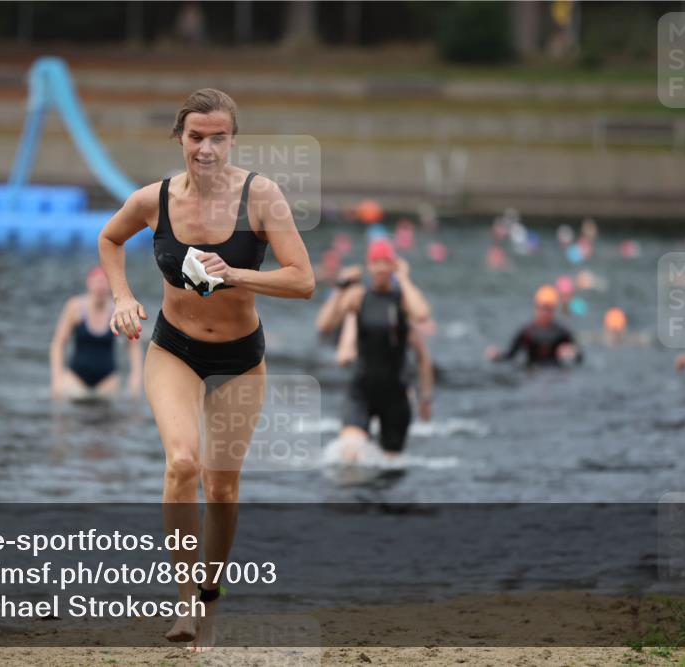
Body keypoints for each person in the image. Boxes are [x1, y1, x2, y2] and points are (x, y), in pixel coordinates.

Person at [96, 88, 314, 651]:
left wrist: (239, 274)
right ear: (180, 140)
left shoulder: (261, 197)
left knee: (221, 486)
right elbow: (110, 238)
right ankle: (185, 596)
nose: (208, 148)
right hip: (174, 349)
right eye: (197, 137)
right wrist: (121, 297)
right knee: (182, 463)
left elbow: (302, 280)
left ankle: (211, 593)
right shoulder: (155, 199)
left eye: (219, 137)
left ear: (232, 140)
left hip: (241, 359)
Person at [327, 238, 434, 460]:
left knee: (390, 466)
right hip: (362, 390)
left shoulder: (402, 300)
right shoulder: (359, 297)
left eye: (387, 262)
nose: (382, 267)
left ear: (394, 265)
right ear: (369, 265)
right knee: (350, 453)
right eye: (376, 262)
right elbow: (325, 324)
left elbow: (422, 315)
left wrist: (426, 397)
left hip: (395, 395)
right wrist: (339, 289)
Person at [50, 266, 142, 400]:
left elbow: (133, 344)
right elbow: (58, 344)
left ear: (110, 287)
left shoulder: (118, 311)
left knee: (107, 417)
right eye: (97, 283)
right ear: (89, 284)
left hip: (107, 381)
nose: (100, 288)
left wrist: (135, 377)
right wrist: (57, 379)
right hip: (75, 379)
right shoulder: (75, 308)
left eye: (104, 283)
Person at [487, 285, 582, 366]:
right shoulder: (527, 332)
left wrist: (572, 354)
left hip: (555, 373)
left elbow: (580, 358)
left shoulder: (562, 333)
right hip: (532, 373)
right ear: (536, 308)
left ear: (554, 310)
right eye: (542, 308)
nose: (545, 313)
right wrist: (497, 357)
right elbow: (510, 356)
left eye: (548, 309)